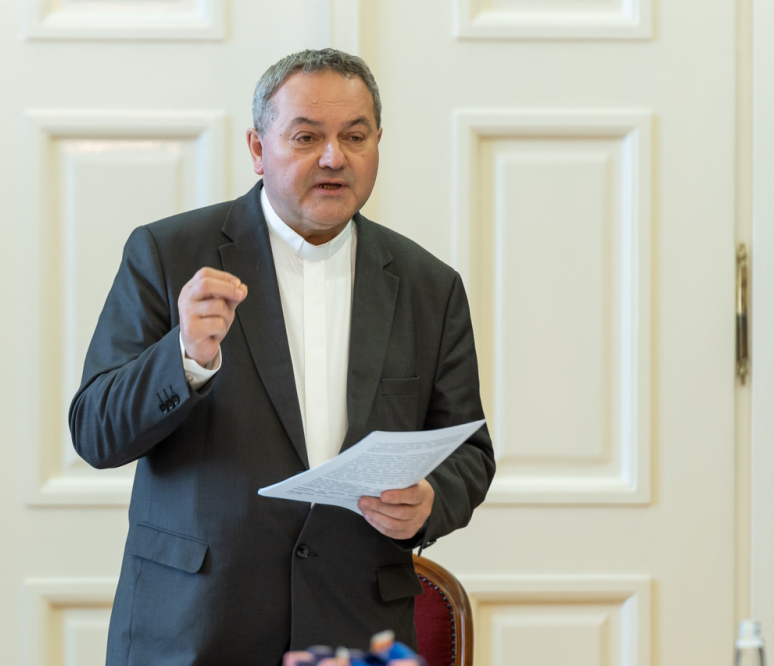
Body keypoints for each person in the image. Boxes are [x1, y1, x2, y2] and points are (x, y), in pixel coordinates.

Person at [69, 48, 494, 666]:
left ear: (378, 143)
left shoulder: (431, 285)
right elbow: (94, 432)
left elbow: (470, 453)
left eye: (355, 137)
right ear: (257, 148)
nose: (333, 157)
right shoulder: (168, 252)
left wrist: (430, 500)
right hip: (193, 627)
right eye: (306, 137)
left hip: (356, 627)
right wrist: (182, 357)